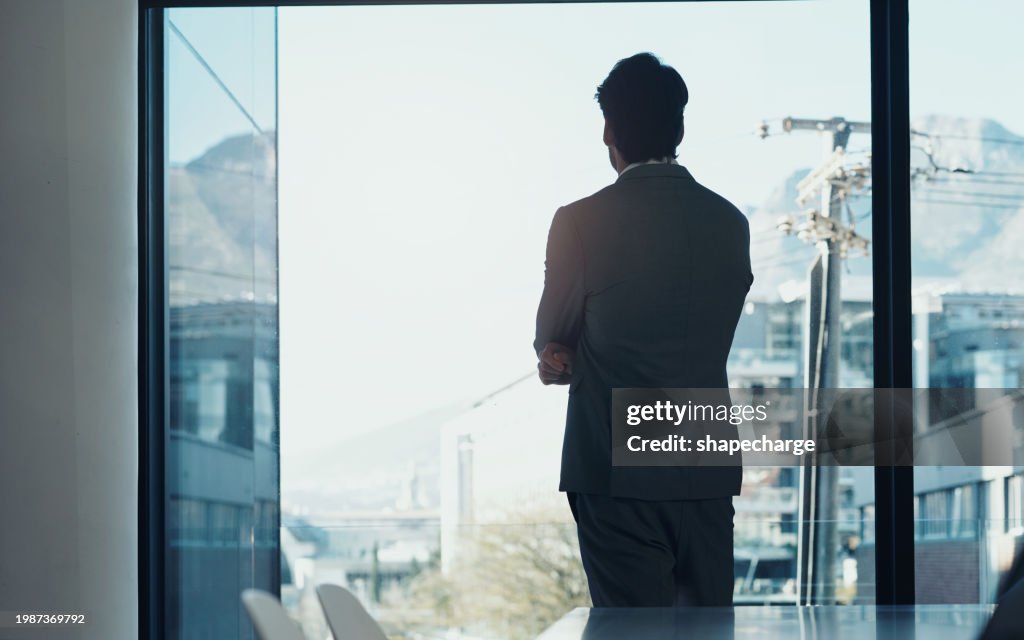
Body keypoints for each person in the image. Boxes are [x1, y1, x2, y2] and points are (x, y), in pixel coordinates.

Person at [534, 52, 753, 607]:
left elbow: (553, 337)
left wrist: (557, 357)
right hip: (703, 466)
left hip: (615, 475)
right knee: (707, 631)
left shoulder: (579, 222)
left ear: (609, 131)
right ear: (679, 129)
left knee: (631, 633)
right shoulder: (731, 222)